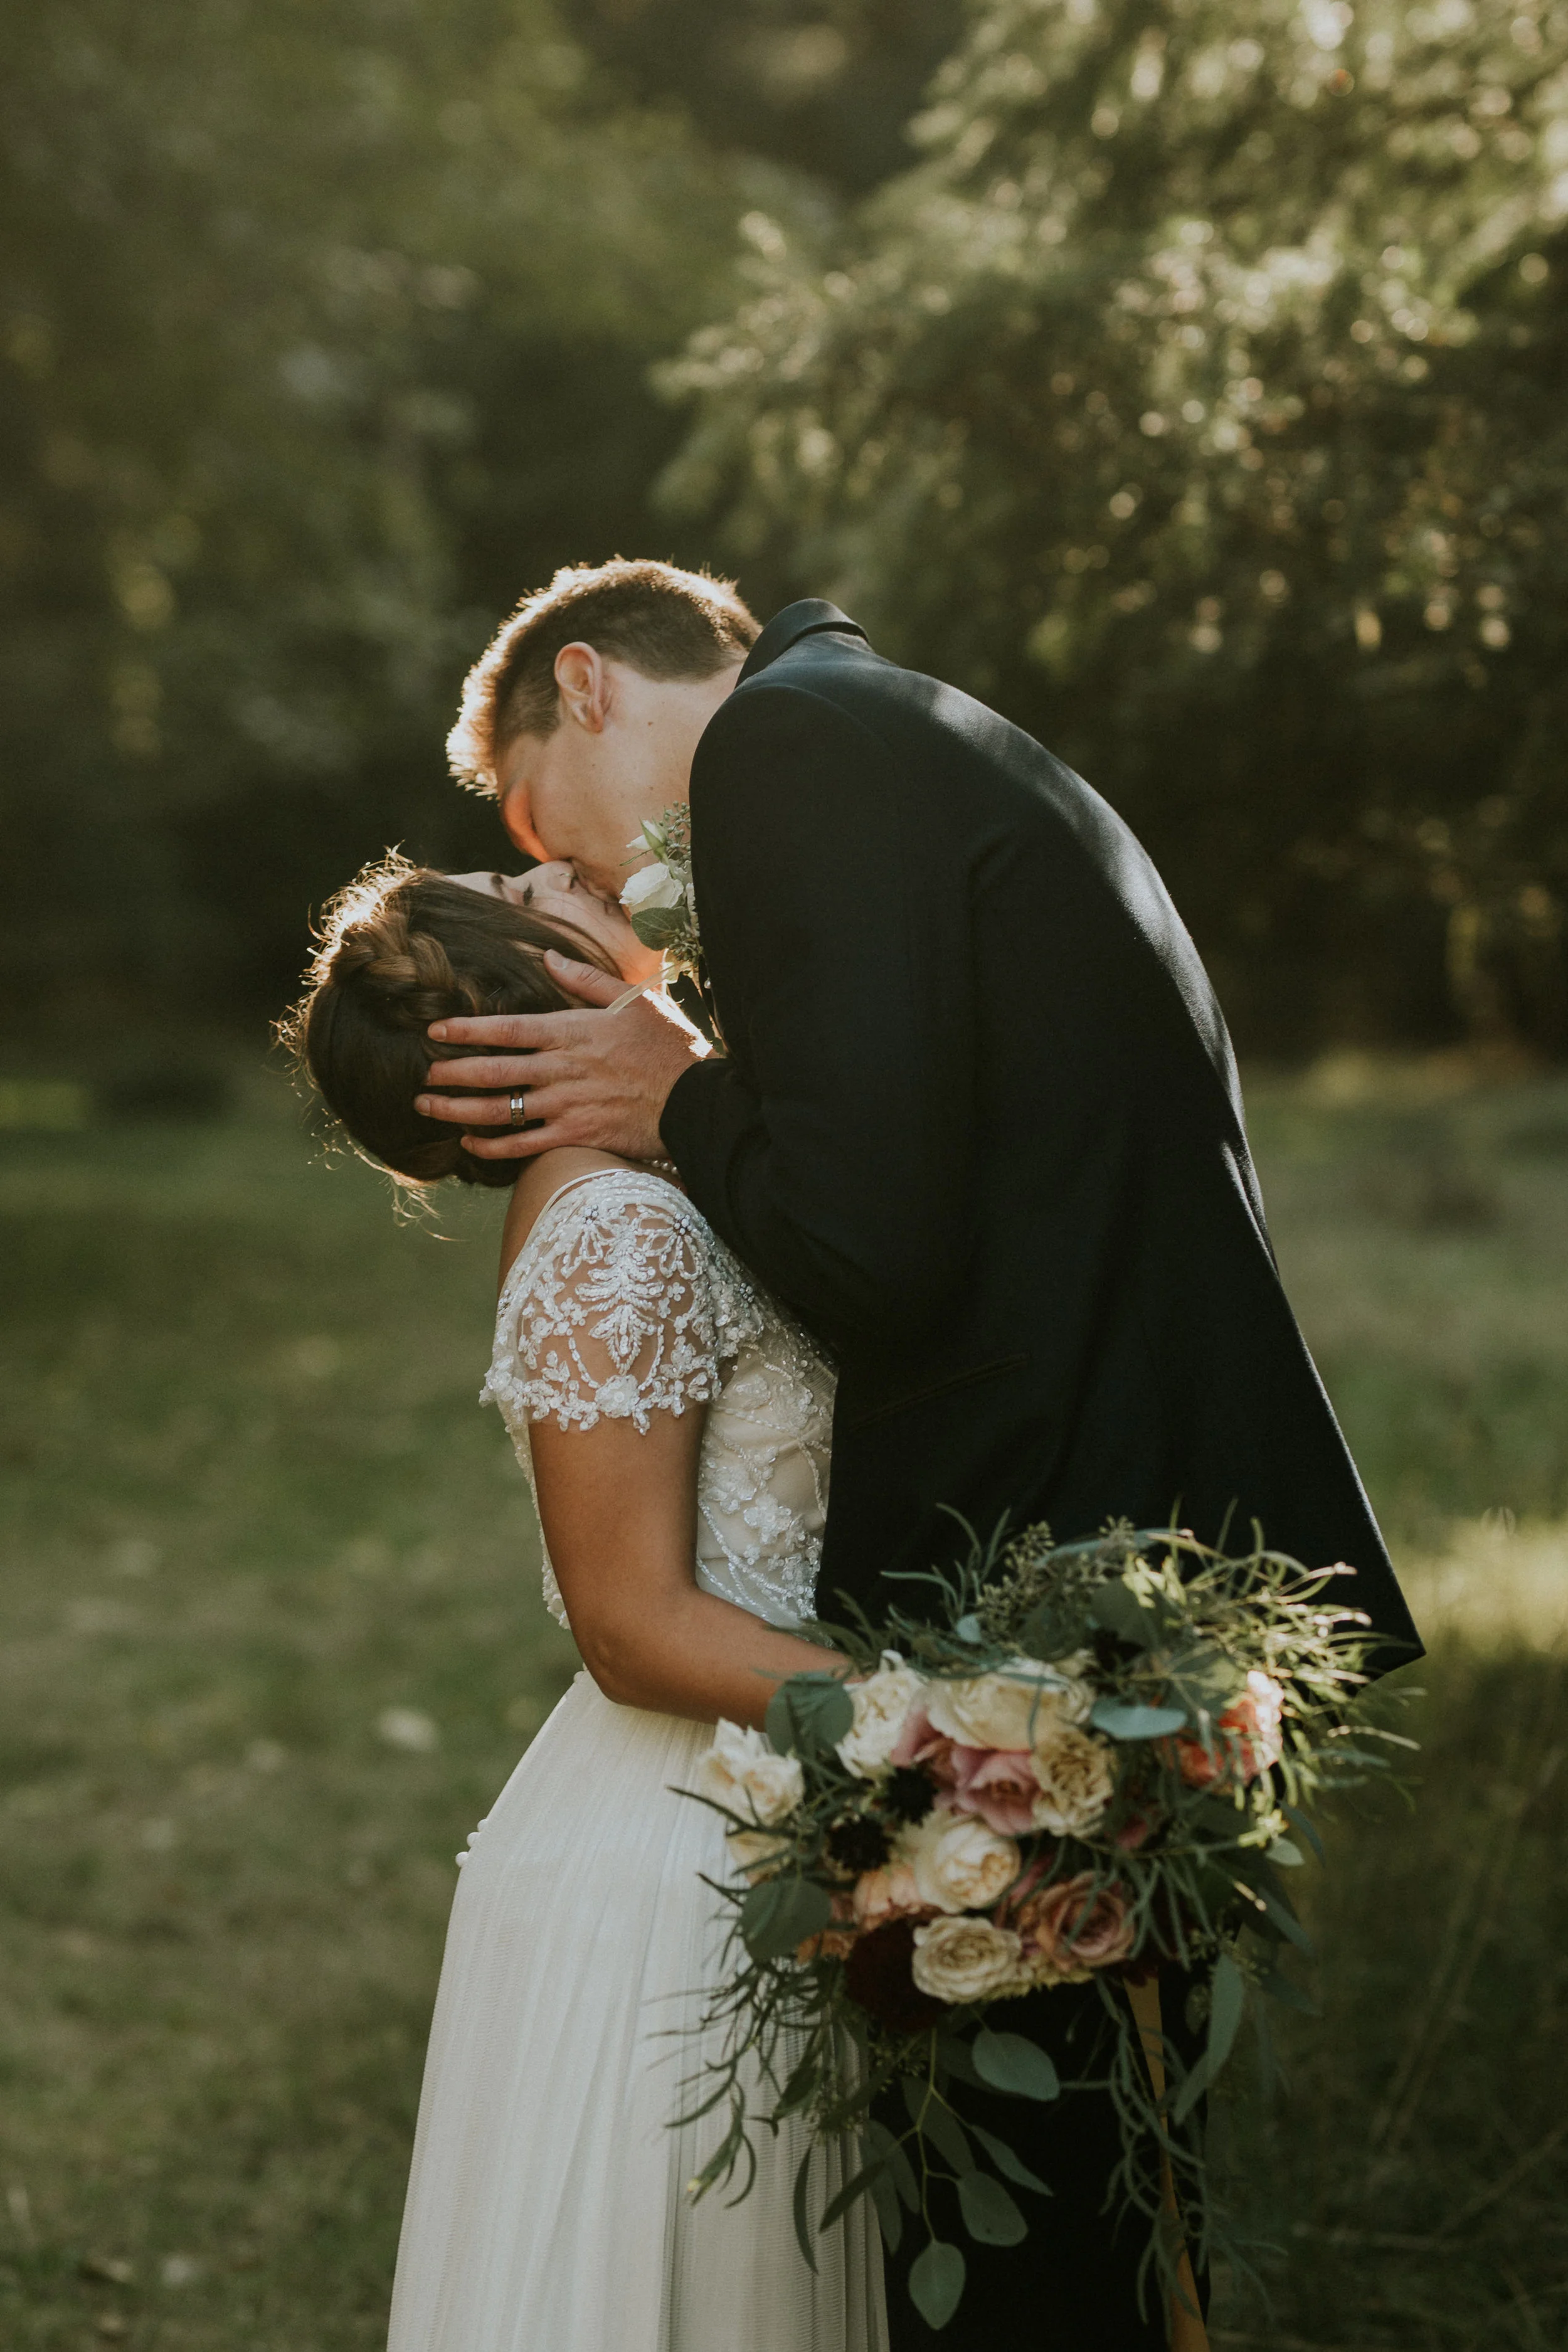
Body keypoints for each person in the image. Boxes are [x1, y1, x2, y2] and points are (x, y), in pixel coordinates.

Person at [415, 556, 1424, 2349]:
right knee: (1083, 2206)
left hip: (1046, 1552)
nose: (582, 878)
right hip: (1108, 1531)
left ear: (585, 685)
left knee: (1046, 2234)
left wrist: (676, 1090)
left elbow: (872, 1244)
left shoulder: (785, 752)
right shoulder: (889, 729)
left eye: (540, 826)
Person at [283, 856, 887, 2352]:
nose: (555, 861)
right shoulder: (615, 1227)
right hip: (685, 1850)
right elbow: (629, 1625)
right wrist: (942, 1731)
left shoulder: (660, 1181)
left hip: (760, 1790)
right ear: (527, 994)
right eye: (517, 881)